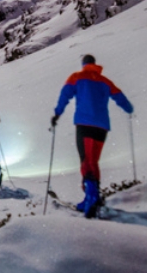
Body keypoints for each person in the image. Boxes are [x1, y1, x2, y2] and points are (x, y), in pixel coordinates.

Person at [51, 54, 134, 216]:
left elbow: (65, 95)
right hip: (102, 127)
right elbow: (119, 95)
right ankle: (92, 197)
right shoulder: (105, 81)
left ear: (83, 64)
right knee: (93, 161)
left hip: (84, 124)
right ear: (94, 64)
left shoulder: (77, 77)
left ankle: (91, 200)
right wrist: (128, 109)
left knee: (86, 161)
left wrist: (57, 114)